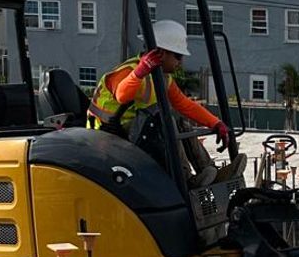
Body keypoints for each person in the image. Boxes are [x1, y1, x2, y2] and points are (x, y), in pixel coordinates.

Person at [88, 20, 231, 170]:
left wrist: (215, 123)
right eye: (178, 56)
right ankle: (185, 175)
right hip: (108, 134)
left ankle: (208, 170)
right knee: (166, 124)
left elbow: (185, 105)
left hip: (136, 130)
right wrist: (140, 72)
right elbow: (122, 96)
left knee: (181, 124)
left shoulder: (163, 78)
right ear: (160, 53)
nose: (180, 62)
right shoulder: (129, 71)